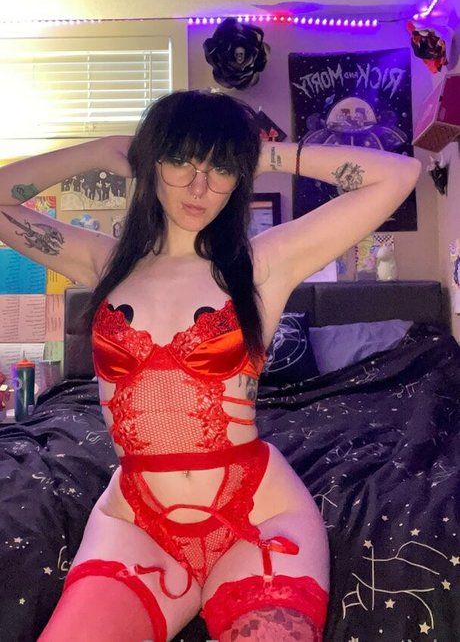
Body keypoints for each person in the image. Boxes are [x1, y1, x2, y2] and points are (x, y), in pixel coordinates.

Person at [0, 90, 421, 642]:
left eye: (219, 169)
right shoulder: (103, 262)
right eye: (181, 162)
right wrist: (98, 151)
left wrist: (258, 153)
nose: (200, 187)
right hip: (136, 522)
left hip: (259, 514)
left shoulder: (262, 264)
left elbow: (399, 174)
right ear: (152, 162)